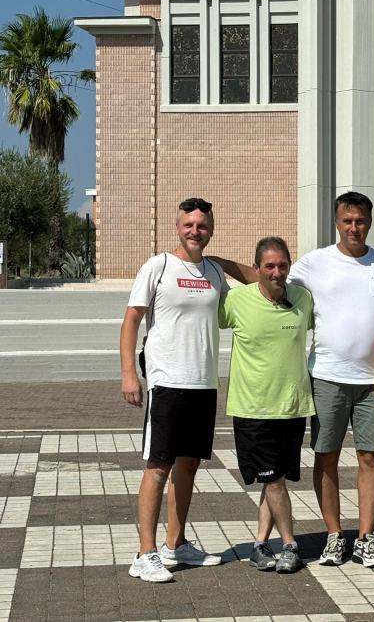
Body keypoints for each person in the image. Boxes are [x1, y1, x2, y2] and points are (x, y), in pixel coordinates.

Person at [214, 191, 374, 569]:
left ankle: (366, 537)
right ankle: (333, 537)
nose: (354, 228)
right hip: (326, 377)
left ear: (369, 223)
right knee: (325, 458)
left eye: (360, 221)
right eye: (347, 221)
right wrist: (217, 264)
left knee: (370, 458)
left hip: (373, 381)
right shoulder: (315, 263)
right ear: (337, 223)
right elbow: (269, 278)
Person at [120, 198, 226, 583]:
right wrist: (129, 373)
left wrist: (224, 262)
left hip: (204, 382)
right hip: (167, 383)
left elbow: (255, 279)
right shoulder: (158, 266)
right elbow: (132, 320)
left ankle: (174, 544)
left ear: (211, 230)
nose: (195, 231)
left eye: (202, 226)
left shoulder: (215, 272)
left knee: (189, 464)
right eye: (188, 225)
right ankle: (144, 553)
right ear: (177, 227)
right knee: (158, 465)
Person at [218, 237, 315, 574]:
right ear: (256, 268)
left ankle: (260, 544)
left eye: (282, 265)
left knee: (276, 480)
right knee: (273, 481)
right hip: (252, 409)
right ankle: (290, 544)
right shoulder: (236, 301)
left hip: (292, 406)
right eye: (269, 266)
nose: (276, 272)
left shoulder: (302, 298)